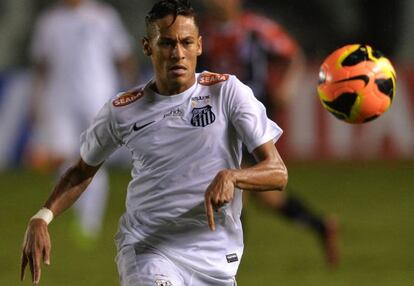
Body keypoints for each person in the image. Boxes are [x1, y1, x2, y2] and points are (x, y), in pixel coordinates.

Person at [20, 0, 288, 285]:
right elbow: (81, 171)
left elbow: (278, 173)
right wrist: (42, 216)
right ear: (147, 46)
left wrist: (233, 177)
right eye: (167, 43)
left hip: (216, 259)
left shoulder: (228, 93)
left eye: (186, 43)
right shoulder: (122, 110)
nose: (178, 54)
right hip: (148, 250)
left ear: (199, 45)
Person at [199, 0, 339, 266]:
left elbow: (293, 54)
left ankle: (224, 258)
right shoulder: (202, 32)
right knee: (266, 198)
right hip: (217, 118)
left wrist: (288, 87)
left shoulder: (255, 28)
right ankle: (320, 225)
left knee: (231, 183)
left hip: (248, 117)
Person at [26, 0, 136, 240]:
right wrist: (37, 98)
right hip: (59, 98)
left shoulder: (104, 16)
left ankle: (90, 222)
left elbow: (123, 56)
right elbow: (41, 65)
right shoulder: (50, 20)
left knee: (93, 157)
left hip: (97, 96)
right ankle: (70, 213)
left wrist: (131, 91)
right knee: (62, 156)